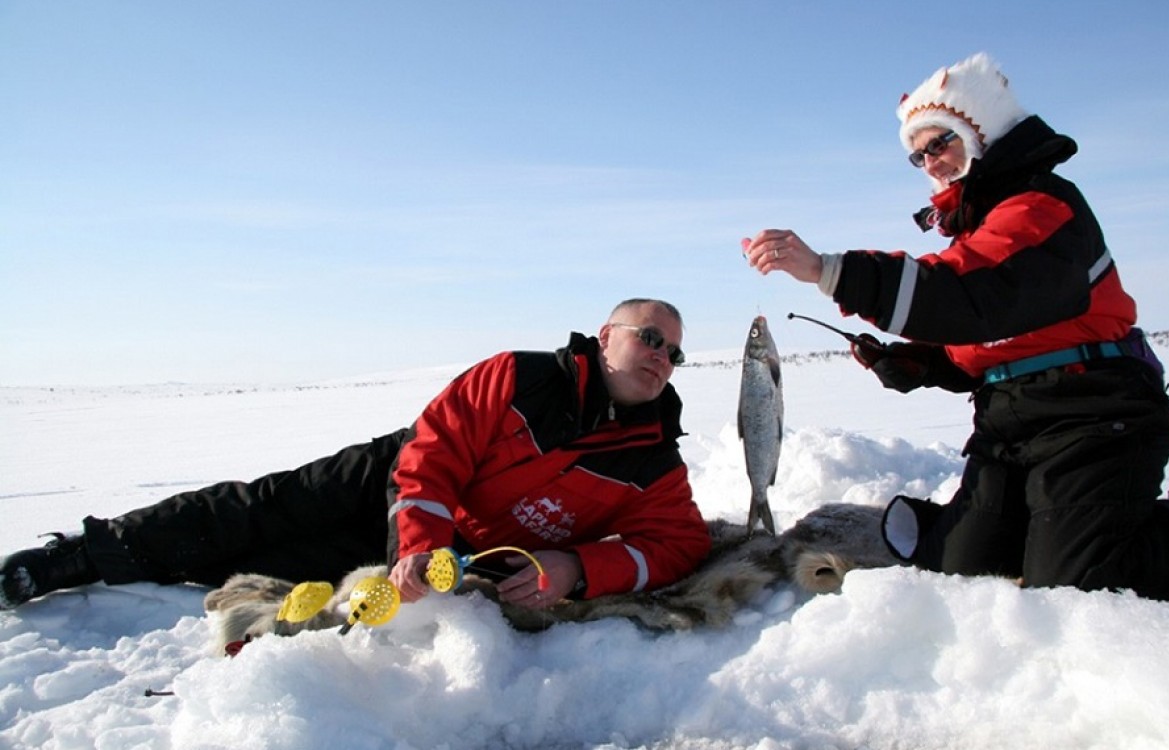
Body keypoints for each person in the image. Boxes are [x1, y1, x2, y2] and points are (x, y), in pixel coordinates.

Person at [743, 53, 1169, 601]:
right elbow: (992, 333)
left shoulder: (1043, 208)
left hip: (1098, 418)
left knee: (1080, 587)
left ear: (983, 132)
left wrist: (828, 271)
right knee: (963, 571)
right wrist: (927, 364)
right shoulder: (980, 228)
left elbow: (968, 295)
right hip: (1010, 425)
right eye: (918, 155)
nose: (930, 162)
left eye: (940, 142)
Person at [1, 298, 712, 612]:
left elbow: (678, 545)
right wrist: (418, 540)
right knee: (255, 512)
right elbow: (433, 456)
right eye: (649, 337)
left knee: (267, 568)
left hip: (453, 551)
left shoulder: (652, 459)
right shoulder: (522, 376)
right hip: (398, 482)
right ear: (605, 333)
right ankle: (75, 559)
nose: (661, 357)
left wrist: (579, 569)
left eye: (674, 352)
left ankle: (157, 572)